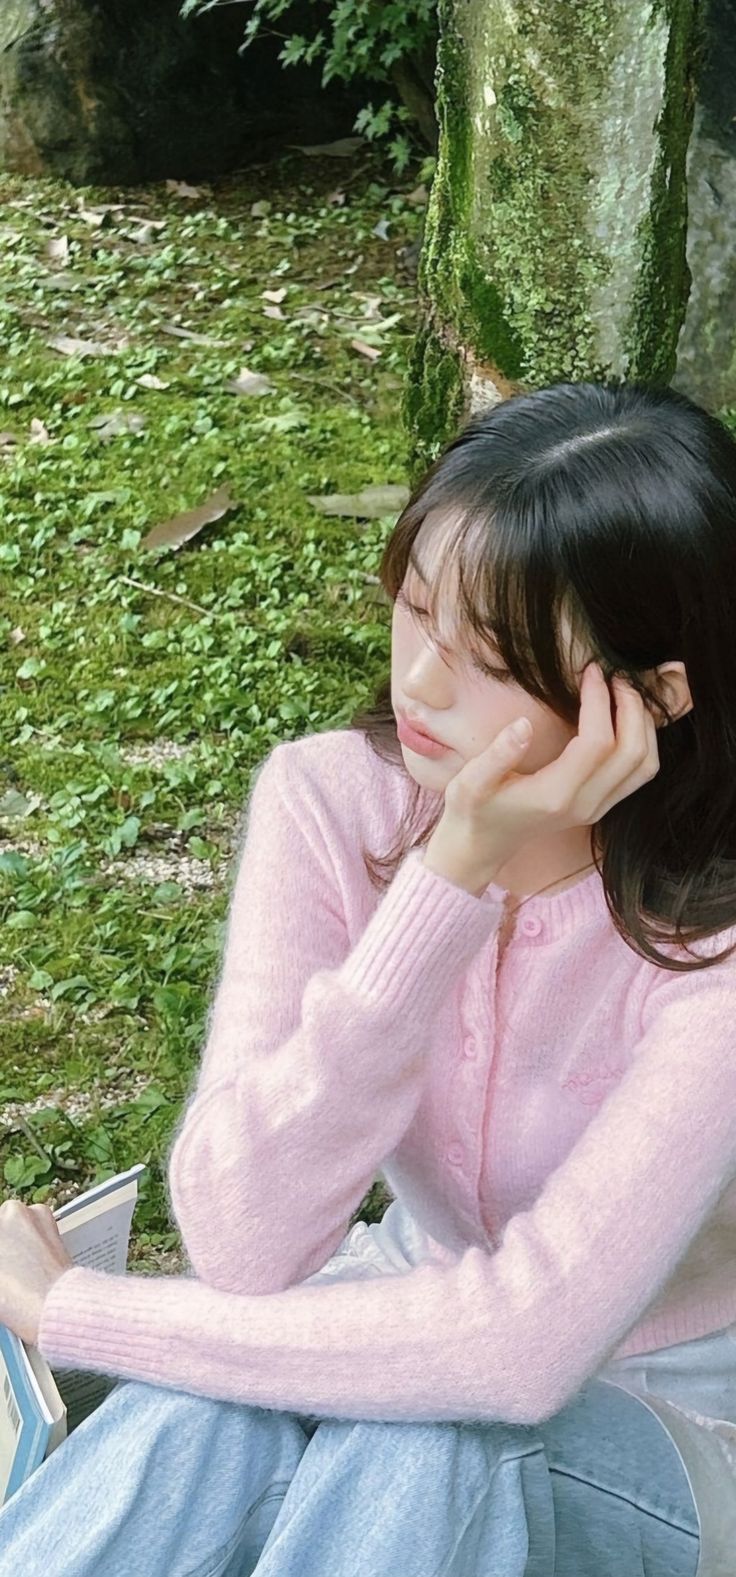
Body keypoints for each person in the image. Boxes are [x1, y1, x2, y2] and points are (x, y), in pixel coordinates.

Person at [6, 376, 736, 1575]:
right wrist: (451, 873)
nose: (424, 685)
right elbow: (244, 1245)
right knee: (215, 1405)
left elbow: (518, 1351)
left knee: (429, 1431)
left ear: (652, 695)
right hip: (413, 1312)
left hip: (666, 1428)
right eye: (414, 612)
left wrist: (79, 1313)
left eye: (491, 655)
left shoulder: (711, 940)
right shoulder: (333, 799)